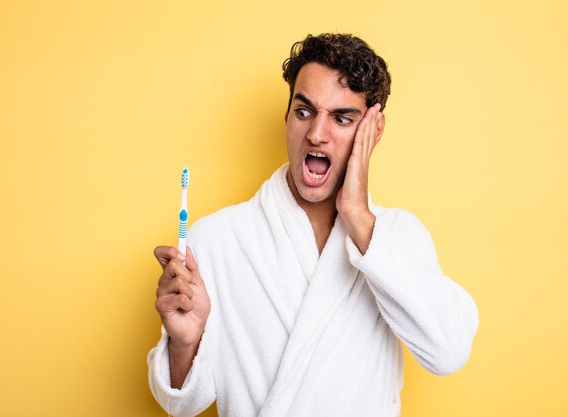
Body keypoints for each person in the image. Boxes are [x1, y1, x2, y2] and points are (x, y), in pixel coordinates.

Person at [148, 33, 479, 417]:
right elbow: (184, 405)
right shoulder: (217, 240)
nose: (316, 134)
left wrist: (358, 218)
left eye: (341, 118)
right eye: (304, 111)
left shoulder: (398, 238)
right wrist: (185, 344)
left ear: (373, 130)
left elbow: (449, 352)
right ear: (287, 117)